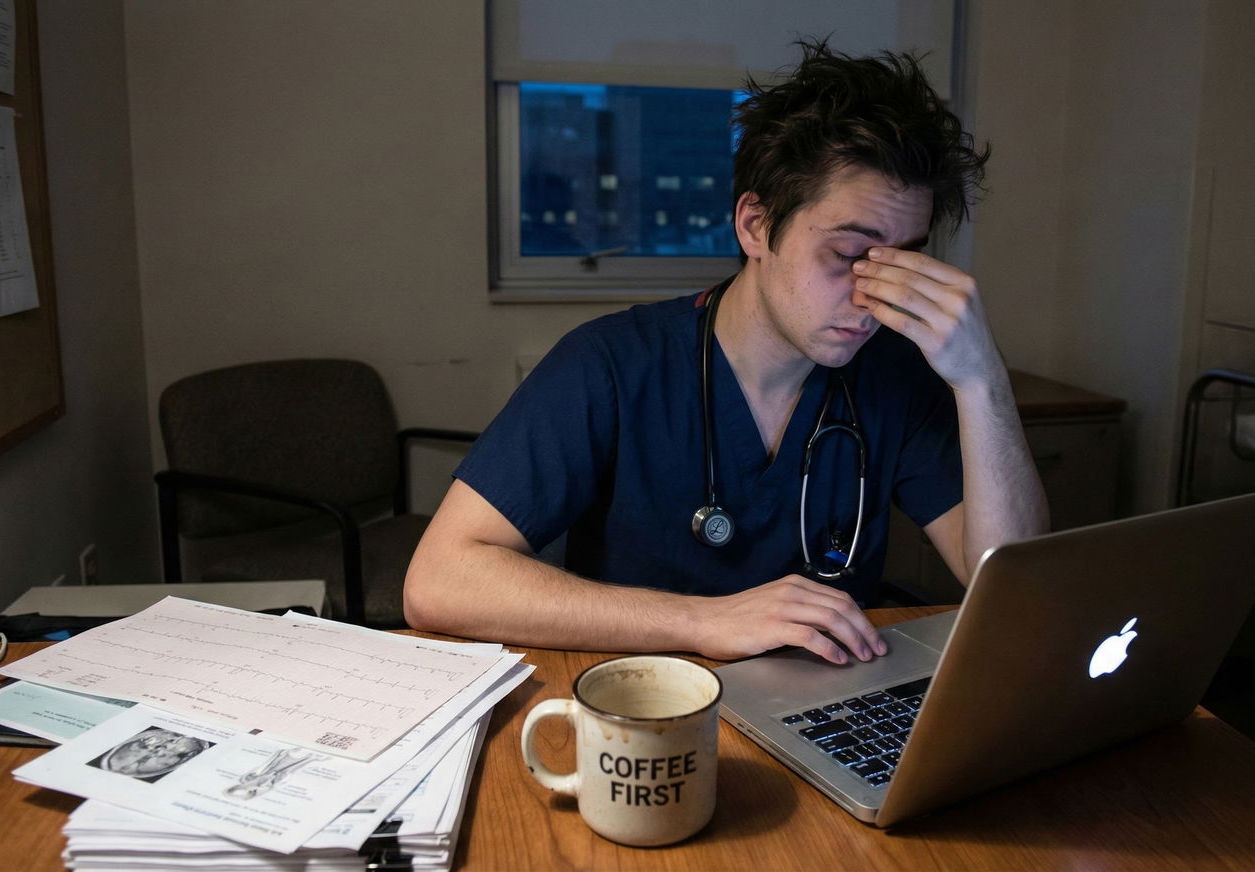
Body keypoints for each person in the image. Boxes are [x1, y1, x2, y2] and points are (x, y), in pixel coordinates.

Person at [404, 40, 1047, 664]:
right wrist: (702, 620)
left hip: (826, 706)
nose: (874, 296)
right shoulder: (612, 365)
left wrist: (981, 378)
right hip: (648, 703)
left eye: (902, 260)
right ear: (755, 225)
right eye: (850, 255)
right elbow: (438, 582)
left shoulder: (896, 376)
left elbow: (1012, 591)